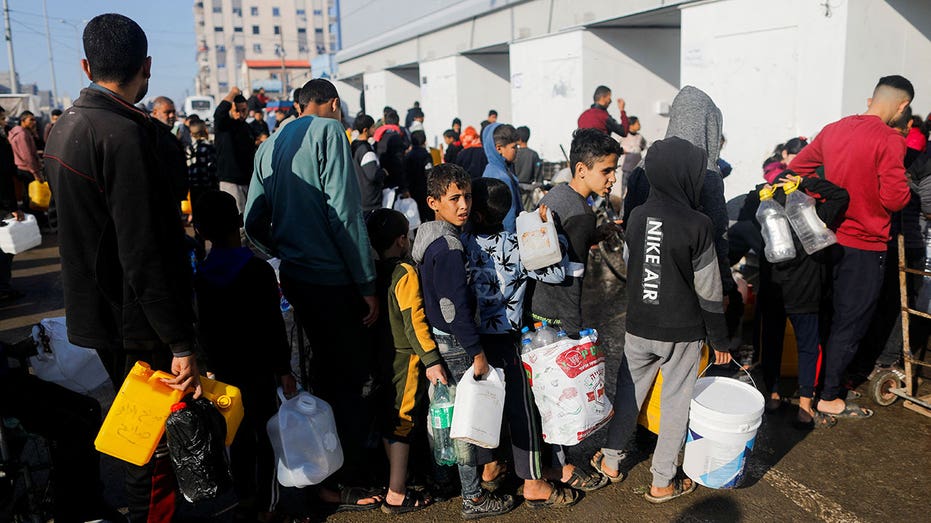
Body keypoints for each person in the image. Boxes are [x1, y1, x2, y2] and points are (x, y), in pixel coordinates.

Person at [44, 14, 199, 522]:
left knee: (136, 431)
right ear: (147, 67)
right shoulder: (126, 136)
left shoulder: (64, 126)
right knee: (152, 441)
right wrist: (179, 340)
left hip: (102, 310)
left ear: (87, 65)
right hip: (138, 318)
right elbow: (143, 251)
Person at [244, 78, 383, 510]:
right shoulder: (328, 132)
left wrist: (282, 252)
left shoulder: (268, 145)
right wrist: (366, 283)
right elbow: (345, 213)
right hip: (333, 279)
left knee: (317, 373)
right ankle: (352, 474)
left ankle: (323, 471)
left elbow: (252, 221)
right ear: (334, 105)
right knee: (352, 379)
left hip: (298, 278)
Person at [591, 137, 731, 503]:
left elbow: (629, 260)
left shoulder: (637, 216)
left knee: (628, 393)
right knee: (675, 404)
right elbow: (710, 290)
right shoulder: (698, 224)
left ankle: (610, 461)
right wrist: (720, 340)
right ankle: (662, 481)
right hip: (681, 331)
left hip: (638, 324)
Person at [789, 75, 914, 420]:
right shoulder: (890, 139)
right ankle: (829, 396)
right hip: (866, 243)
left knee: (826, 316)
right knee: (851, 321)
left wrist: (825, 197)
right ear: (903, 105)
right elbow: (895, 197)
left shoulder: (834, 129)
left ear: (871, 98)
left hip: (826, 238)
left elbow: (797, 170)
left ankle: (810, 388)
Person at [462, 177, 580, 509]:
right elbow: (557, 274)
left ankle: (490, 467)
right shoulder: (516, 245)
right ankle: (532, 482)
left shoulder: (463, 242)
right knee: (522, 411)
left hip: (474, 343)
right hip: (508, 341)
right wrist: (548, 231)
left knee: (484, 406)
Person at [411, 164, 516, 519]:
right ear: (433, 202)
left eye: (467, 197)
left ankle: (445, 482)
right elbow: (454, 306)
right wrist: (476, 352)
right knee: (467, 423)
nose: (463, 205)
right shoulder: (452, 248)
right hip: (457, 343)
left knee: (443, 416)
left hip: (438, 340)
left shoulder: (428, 236)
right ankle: (473, 498)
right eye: (454, 198)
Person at [192, 190, 296, 520]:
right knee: (265, 432)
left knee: (235, 434)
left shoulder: (200, 278)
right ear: (239, 223)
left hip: (222, 369)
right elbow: (272, 324)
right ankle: (267, 504)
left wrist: (206, 366)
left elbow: (201, 329)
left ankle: (245, 498)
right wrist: (284, 368)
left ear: (200, 232)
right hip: (260, 367)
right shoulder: (259, 271)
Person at [530, 128, 622, 490]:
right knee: (561, 393)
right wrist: (573, 329)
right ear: (581, 169)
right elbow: (572, 279)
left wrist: (597, 235)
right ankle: (560, 467)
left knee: (544, 392)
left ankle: (553, 461)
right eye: (606, 170)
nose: (612, 178)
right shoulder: (581, 214)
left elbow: (559, 249)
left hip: (537, 305)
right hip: (557, 313)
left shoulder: (557, 196)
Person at [366, 207, 445, 514]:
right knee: (403, 421)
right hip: (406, 359)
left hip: (382, 354)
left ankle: (398, 479)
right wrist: (431, 359)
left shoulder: (372, 271)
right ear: (402, 240)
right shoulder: (405, 272)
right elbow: (415, 320)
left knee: (389, 418)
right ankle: (396, 493)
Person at [214, 86, 255, 215]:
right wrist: (232, 93)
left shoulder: (247, 128)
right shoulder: (224, 125)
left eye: (244, 110)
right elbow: (219, 112)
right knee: (235, 218)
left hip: (247, 180)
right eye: (237, 110)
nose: (241, 114)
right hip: (230, 180)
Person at [0, 105, 24, 302]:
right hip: (2, 206)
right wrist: (13, 208)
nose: (4, 122)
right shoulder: (0, 143)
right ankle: (3, 287)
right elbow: (4, 178)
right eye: (1, 118)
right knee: (4, 248)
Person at [481, 123, 522, 234]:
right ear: (499, 148)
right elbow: (509, 219)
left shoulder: (493, 169)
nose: (517, 150)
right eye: (514, 147)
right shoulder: (502, 178)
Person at [151, 96, 189, 204]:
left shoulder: (167, 134)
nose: (172, 116)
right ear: (155, 113)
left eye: (173, 112)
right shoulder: (154, 135)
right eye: (167, 112)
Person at [351, 114, 386, 214]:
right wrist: (383, 172)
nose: (375, 130)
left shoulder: (354, 145)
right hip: (370, 200)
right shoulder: (366, 150)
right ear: (366, 130)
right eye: (373, 127)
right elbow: (372, 175)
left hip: (358, 197)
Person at [8, 111, 42, 212]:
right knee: (32, 196)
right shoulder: (22, 134)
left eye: (34, 119)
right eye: (31, 120)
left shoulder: (19, 131)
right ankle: (35, 217)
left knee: (27, 196)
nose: (34, 122)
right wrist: (36, 173)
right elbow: (27, 156)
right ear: (23, 121)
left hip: (22, 168)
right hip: (27, 169)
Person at [185, 120, 218, 219]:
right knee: (208, 213)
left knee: (197, 213)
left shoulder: (189, 148)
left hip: (193, 186)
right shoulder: (209, 147)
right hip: (207, 185)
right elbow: (212, 167)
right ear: (205, 131)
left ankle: (197, 232)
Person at [405, 129, 434, 222]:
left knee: (417, 218)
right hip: (425, 190)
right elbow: (429, 172)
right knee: (429, 217)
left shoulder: (408, 156)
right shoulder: (426, 155)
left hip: (412, 190)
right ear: (424, 141)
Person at [376, 110, 409, 191]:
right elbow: (399, 164)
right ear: (398, 123)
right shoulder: (396, 138)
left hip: (381, 179)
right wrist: (404, 188)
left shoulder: (378, 136)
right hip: (393, 182)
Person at [513, 125, 543, 211]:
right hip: (528, 190)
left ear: (518, 138)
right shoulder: (533, 154)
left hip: (515, 188)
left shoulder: (514, 153)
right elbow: (538, 175)